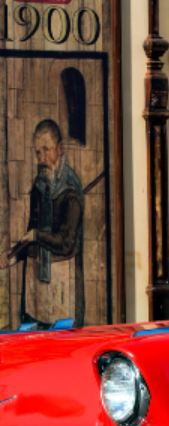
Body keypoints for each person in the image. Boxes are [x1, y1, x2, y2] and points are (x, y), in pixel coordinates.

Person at [3, 119, 85, 327]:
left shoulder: (71, 191)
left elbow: (66, 243)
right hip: (35, 288)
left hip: (62, 286)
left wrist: (36, 236)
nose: (41, 158)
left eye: (46, 150)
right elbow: (32, 232)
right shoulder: (39, 185)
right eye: (37, 152)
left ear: (59, 149)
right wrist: (15, 254)